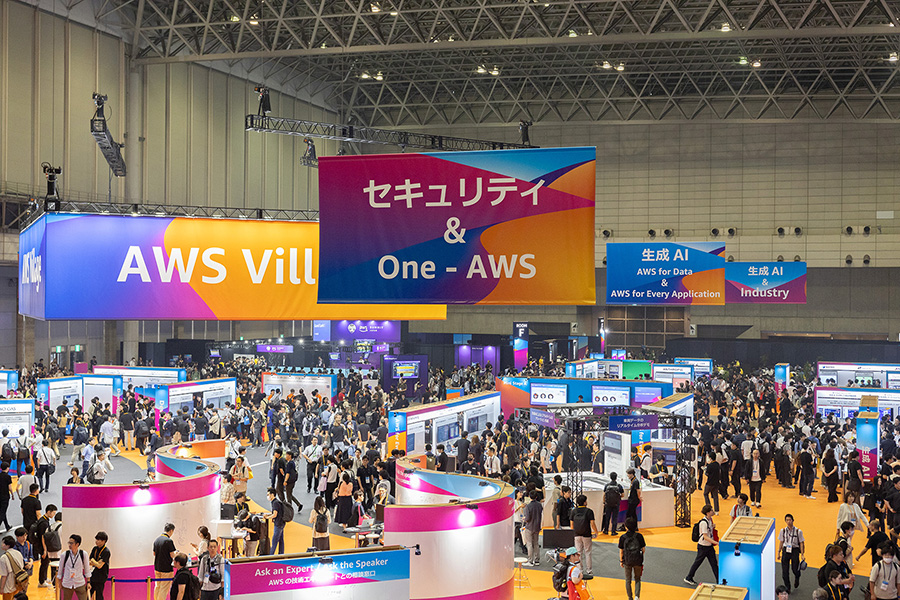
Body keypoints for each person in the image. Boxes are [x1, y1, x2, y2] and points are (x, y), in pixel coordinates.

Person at [684, 504, 718, 586]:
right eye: (712, 510)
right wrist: (716, 542)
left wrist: (712, 526)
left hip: (708, 546)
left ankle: (719, 580)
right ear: (708, 513)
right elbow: (705, 536)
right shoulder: (703, 523)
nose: (713, 511)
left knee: (714, 564)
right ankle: (688, 577)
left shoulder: (710, 520)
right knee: (697, 563)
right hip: (703, 546)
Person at [570, 494, 598, 579]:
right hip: (586, 534)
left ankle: (579, 570)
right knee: (588, 552)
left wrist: (574, 532)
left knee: (578, 553)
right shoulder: (589, 511)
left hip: (577, 534)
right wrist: (596, 532)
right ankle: (589, 571)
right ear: (585, 502)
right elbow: (592, 523)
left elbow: (571, 524)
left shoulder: (574, 511)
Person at [777, 513, 805, 593]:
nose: (788, 522)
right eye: (787, 520)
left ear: (793, 520)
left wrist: (802, 554)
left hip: (795, 550)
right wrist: (779, 552)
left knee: (794, 569)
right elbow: (781, 541)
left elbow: (801, 543)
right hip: (786, 550)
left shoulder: (798, 531)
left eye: (790, 520)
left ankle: (797, 576)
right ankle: (787, 587)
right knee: (784, 572)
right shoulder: (783, 531)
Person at [56, 534, 90, 600]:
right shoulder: (64, 554)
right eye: (69, 543)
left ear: (77, 544)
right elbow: (60, 570)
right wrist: (59, 582)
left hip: (80, 582)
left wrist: (88, 582)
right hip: (67, 583)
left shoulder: (83, 554)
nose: (69, 545)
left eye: (71, 543)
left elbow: (87, 569)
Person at [619, 517, 645, 600]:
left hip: (627, 561)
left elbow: (621, 551)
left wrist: (621, 561)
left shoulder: (623, 537)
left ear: (626, 527)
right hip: (638, 561)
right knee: (637, 579)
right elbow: (643, 549)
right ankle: (637, 596)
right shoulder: (639, 536)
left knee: (628, 580)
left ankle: (630, 597)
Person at [33, 504, 57, 588]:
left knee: (45, 562)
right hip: (42, 546)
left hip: (41, 545)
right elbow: (43, 537)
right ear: (48, 512)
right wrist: (45, 550)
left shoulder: (43, 520)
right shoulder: (44, 523)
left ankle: (44, 578)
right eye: (53, 513)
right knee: (44, 563)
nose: (53, 515)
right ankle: (41, 581)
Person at [152, 524, 177, 600]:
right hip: (166, 568)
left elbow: (154, 553)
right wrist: (177, 553)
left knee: (158, 586)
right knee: (164, 588)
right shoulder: (169, 541)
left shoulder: (157, 540)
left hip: (157, 567)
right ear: (171, 531)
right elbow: (172, 555)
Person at [521, 490, 542, 566]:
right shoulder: (539, 505)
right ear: (536, 497)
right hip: (537, 527)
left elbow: (527, 518)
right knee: (536, 543)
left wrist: (524, 518)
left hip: (529, 527)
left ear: (529, 496)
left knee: (529, 544)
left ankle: (530, 561)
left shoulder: (528, 506)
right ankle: (537, 560)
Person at [0, 535, 23, 600]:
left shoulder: (3, 558)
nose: (2, 544)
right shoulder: (18, 553)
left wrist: (1, 588)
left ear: (8, 545)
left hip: (8, 585)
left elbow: (4, 575)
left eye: (3, 543)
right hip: (18, 583)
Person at [88, 531, 110, 600]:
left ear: (104, 541)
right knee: (87, 594)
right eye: (96, 539)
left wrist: (94, 561)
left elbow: (99, 566)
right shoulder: (95, 549)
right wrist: (96, 562)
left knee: (99, 596)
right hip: (93, 575)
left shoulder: (106, 551)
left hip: (101, 577)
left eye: (98, 540)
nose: (96, 541)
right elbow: (90, 561)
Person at [265, 487, 285, 555]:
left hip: (278, 524)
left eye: (268, 494)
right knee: (281, 540)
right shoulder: (276, 502)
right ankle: (281, 554)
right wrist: (268, 515)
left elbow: (275, 515)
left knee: (274, 540)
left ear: (272, 494)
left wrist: (267, 518)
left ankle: (271, 555)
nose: (268, 496)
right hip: (281, 523)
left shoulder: (275, 503)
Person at [0, 464, 11, 532]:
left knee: (2, 511)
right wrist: (12, 494)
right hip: (5, 496)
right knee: (2, 512)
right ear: (7, 468)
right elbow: (10, 487)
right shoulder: (8, 477)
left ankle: (7, 526)